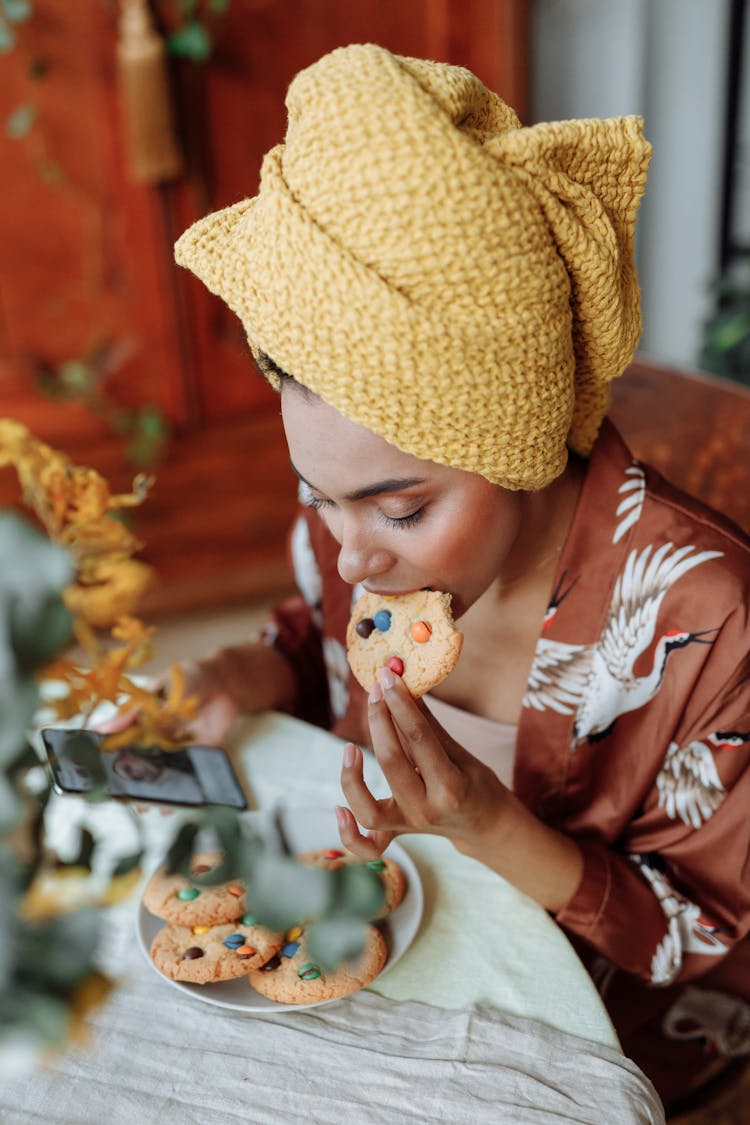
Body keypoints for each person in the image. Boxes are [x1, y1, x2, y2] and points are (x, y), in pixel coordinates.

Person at [109, 44, 750, 1111]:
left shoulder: (706, 624)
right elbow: (320, 638)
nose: (352, 554)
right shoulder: (352, 534)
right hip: (371, 957)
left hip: (596, 1019)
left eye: (401, 509)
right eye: (317, 494)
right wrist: (252, 671)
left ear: (525, 448)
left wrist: (496, 831)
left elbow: (709, 940)